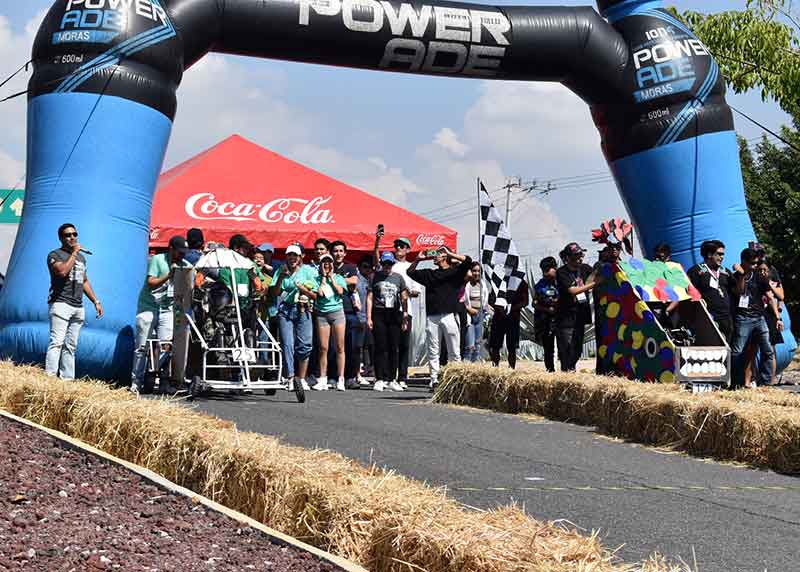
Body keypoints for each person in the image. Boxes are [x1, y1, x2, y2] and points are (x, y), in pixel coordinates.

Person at [130, 235, 192, 394]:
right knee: (142, 347)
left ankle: (163, 381)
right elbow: (151, 283)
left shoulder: (185, 265)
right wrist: (168, 275)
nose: (182, 255)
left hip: (167, 310)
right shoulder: (158, 260)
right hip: (148, 307)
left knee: (166, 346)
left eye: (184, 252)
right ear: (171, 249)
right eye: (180, 252)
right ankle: (135, 382)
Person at [407, 246, 472, 391]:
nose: (435, 256)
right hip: (432, 317)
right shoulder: (430, 274)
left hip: (450, 315)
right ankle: (434, 380)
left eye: (438, 253)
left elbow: (468, 261)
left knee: (454, 350)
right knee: (433, 350)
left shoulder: (455, 272)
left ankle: (456, 379)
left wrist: (450, 253)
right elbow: (410, 272)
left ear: (444, 257)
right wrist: (418, 259)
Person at [45, 223, 103, 380]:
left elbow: (83, 280)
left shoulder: (82, 258)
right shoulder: (54, 255)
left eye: (74, 234)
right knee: (56, 342)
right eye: (67, 235)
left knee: (71, 346)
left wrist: (95, 301)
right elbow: (62, 271)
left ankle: (67, 380)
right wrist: (74, 252)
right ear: (61, 238)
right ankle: (49, 379)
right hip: (60, 303)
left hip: (78, 305)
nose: (72, 237)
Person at [375, 231, 424, 388]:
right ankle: (387, 377)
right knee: (388, 345)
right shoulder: (388, 263)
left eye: (402, 246)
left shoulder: (411, 267)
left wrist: (403, 290)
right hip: (387, 311)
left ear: (408, 249)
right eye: (396, 245)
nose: (398, 248)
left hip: (405, 310)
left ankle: (402, 377)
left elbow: (416, 292)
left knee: (403, 345)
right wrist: (377, 240)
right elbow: (376, 259)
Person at [298, 253, 349, 391]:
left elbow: (340, 292)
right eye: (324, 263)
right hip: (322, 314)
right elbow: (319, 293)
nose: (326, 265)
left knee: (339, 347)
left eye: (329, 262)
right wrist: (323, 279)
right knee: (323, 348)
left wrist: (332, 279)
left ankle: (340, 378)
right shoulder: (316, 279)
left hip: (337, 313)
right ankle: (322, 378)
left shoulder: (339, 278)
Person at [269, 243, 317, 390]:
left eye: (295, 255)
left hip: (304, 309)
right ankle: (290, 377)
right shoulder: (281, 270)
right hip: (286, 310)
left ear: (300, 257)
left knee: (305, 344)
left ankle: (301, 378)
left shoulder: (307, 272)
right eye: (289, 255)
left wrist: (303, 289)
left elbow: (315, 295)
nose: (292, 258)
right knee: (287, 344)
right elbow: (275, 293)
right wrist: (280, 278)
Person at [730, 248, 779, 389]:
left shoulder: (759, 277)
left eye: (756, 263)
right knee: (738, 351)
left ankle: (766, 383)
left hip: (759, 317)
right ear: (744, 262)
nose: (755, 266)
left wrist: (777, 317)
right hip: (743, 318)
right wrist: (741, 275)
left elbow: (770, 297)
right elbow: (739, 293)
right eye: (752, 263)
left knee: (768, 350)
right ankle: (736, 382)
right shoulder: (735, 276)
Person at [554, 242, 601, 372]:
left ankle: (571, 369)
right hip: (565, 318)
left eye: (581, 255)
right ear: (568, 258)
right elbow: (573, 291)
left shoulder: (585, 268)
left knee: (577, 349)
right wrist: (593, 285)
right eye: (577, 256)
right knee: (567, 349)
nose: (581, 258)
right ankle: (567, 373)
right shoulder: (561, 272)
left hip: (580, 315)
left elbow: (597, 274)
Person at [367, 252, 409, 391]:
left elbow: (404, 296)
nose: (387, 266)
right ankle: (379, 378)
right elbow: (370, 298)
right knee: (380, 346)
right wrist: (368, 317)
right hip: (379, 312)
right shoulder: (374, 277)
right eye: (385, 264)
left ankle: (392, 379)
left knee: (393, 347)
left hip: (394, 313)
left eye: (389, 264)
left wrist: (405, 315)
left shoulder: (398, 278)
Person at [687, 240, 734, 343]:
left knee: (727, 349)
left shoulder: (725, 272)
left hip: (726, 318)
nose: (722, 257)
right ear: (709, 254)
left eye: (723, 254)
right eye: (719, 254)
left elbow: (736, 291)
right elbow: (689, 294)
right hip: (708, 318)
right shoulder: (696, 271)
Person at [330, 240, 361, 388]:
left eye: (341, 251)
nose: (338, 254)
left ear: (345, 253)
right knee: (331, 347)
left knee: (351, 347)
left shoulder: (351, 267)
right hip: (330, 310)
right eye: (335, 251)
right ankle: (332, 377)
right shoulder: (327, 266)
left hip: (348, 311)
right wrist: (343, 281)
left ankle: (350, 377)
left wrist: (335, 279)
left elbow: (354, 280)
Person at [488, 277, 529, 370]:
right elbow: (490, 298)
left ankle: (511, 368)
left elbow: (525, 301)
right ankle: (495, 368)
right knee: (495, 346)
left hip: (513, 317)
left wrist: (512, 308)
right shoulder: (498, 278)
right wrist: (500, 308)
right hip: (499, 316)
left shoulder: (521, 282)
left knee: (512, 347)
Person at [533, 257, 559, 373]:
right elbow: (534, 303)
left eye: (549, 269)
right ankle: (550, 370)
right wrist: (547, 309)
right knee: (549, 349)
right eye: (544, 270)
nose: (546, 273)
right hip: (545, 321)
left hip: (561, 320)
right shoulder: (540, 285)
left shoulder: (561, 282)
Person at [463, 262, 488, 363]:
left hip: (480, 316)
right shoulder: (466, 285)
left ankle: (475, 365)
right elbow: (460, 300)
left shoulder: (483, 284)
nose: (476, 273)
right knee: (470, 345)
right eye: (474, 271)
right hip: (469, 316)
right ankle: (466, 366)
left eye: (478, 271)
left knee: (478, 344)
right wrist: (468, 309)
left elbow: (485, 300)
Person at [355, 255, 374, 387]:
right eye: (365, 267)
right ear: (360, 267)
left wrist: (369, 318)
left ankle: (367, 370)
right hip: (358, 317)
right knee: (358, 347)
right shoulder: (357, 280)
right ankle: (357, 374)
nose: (368, 270)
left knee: (368, 346)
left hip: (368, 318)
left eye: (370, 267)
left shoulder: (370, 280)